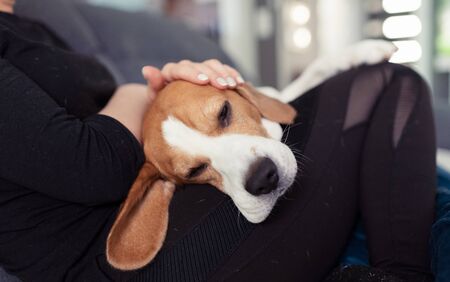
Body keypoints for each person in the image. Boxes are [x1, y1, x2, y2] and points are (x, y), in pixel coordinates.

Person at [0, 1, 436, 281]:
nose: (254, 174)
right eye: (195, 169)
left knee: (384, 83)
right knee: (388, 84)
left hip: (160, 208)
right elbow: (90, 166)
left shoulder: (26, 23)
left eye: (224, 112)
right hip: (119, 262)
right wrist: (142, 91)